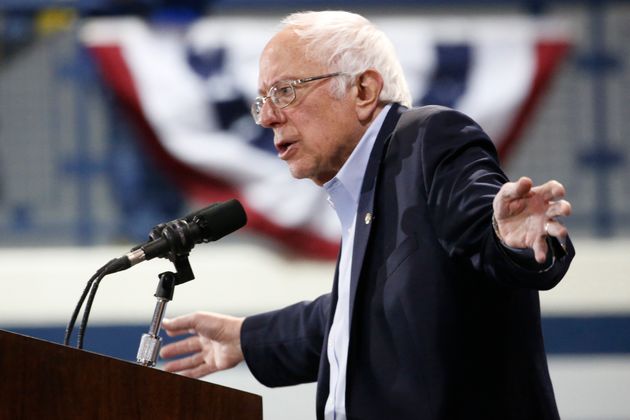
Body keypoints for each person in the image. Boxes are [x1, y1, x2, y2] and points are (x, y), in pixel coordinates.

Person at [159, 10, 575, 420]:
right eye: (262, 101)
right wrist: (245, 338)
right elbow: (356, 315)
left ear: (363, 90)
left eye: (285, 92)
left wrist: (506, 238)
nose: (268, 117)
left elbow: (485, 231)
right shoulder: (366, 188)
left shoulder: (429, 139)